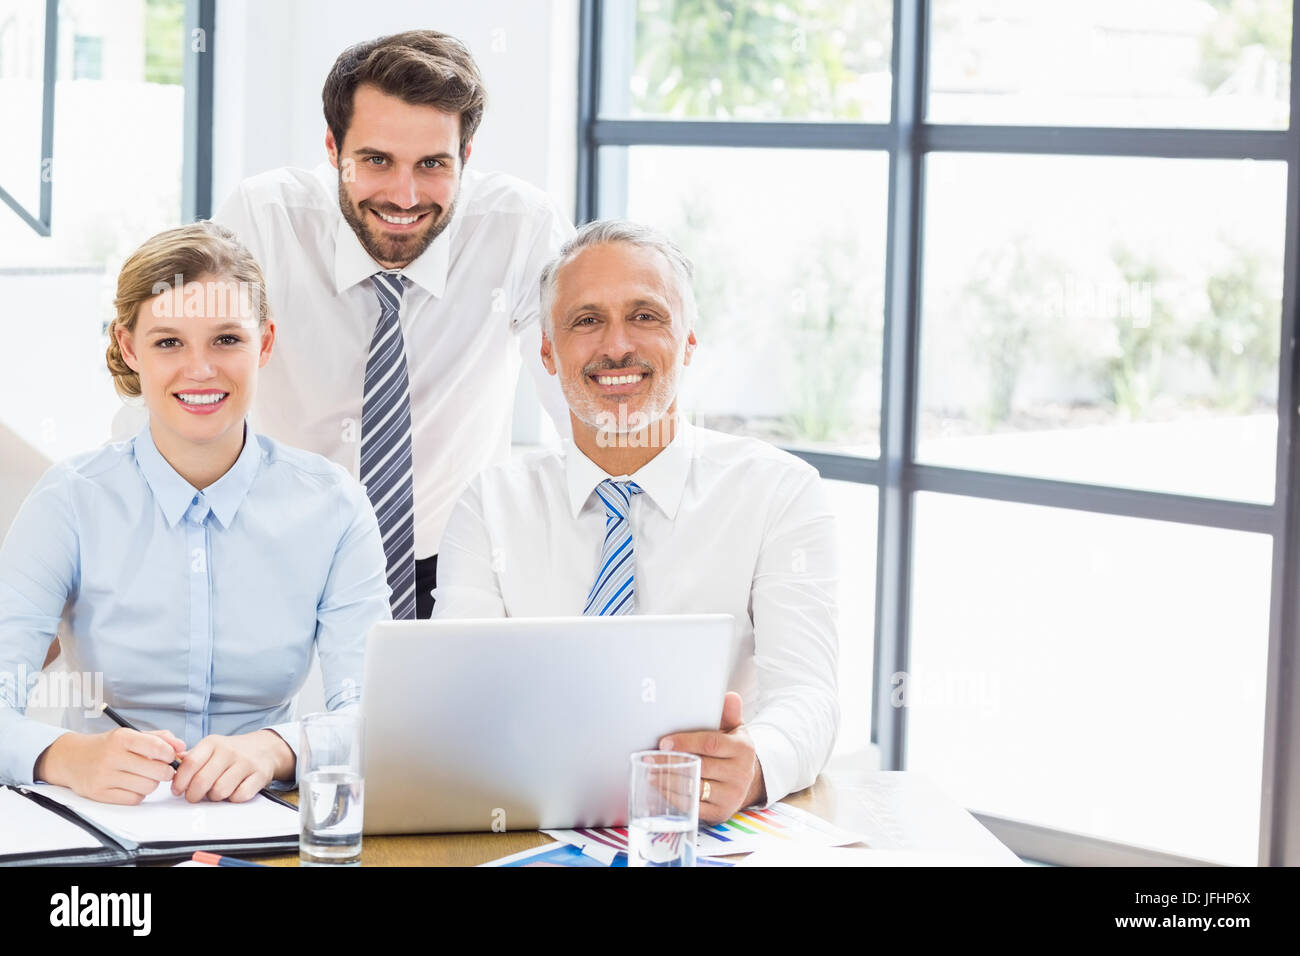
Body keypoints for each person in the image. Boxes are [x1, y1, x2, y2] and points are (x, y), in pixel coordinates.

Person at [434, 220, 839, 823]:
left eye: (646, 316)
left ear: (689, 340)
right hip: (527, 821)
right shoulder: (489, 505)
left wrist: (755, 764)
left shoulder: (780, 492)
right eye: (586, 320)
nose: (617, 346)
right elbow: (458, 698)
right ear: (546, 350)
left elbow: (808, 695)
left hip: (705, 828)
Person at [0, 222, 390, 803]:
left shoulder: (333, 504)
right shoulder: (69, 500)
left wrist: (276, 748)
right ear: (129, 346)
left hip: (267, 825)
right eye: (168, 342)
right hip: (106, 827)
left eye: (226, 339)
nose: (201, 369)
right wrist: (65, 756)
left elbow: (376, 717)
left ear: (264, 343)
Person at [214, 30, 573, 621]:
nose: (404, 196)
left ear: (467, 155)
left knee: (436, 713)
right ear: (332, 148)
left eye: (432, 164)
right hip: (280, 549)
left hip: (450, 563)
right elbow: (185, 373)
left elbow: (577, 401)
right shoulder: (264, 218)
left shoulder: (519, 227)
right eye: (376, 160)